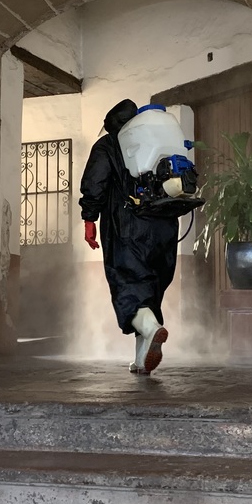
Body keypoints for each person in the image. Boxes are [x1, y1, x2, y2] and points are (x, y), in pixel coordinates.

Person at [79, 99, 179, 375]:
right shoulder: (157, 139)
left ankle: (152, 329)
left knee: (128, 286)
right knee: (150, 288)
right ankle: (141, 359)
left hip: (127, 226)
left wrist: (89, 218)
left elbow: (95, 182)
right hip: (165, 225)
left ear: (111, 123)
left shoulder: (109, 144)